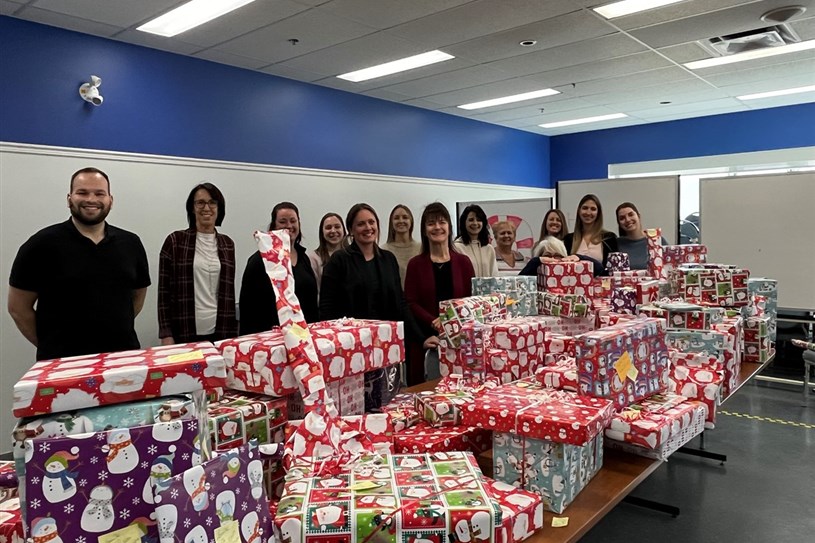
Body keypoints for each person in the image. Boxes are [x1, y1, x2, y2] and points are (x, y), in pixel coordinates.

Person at [8, 167, 151, 360]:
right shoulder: (40, 245)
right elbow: (18, 308)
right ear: (69, 199)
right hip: (63, 363)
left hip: (122, 358)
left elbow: (137, 297)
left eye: (99, 193)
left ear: (110, 200)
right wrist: (50, 346)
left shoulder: (131, 243)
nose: (91, 199)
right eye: (82, 192)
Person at [320, 203, 433, 388]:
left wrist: (421, 338)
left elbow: (401, 303)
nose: (368, 228)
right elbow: (327, 309)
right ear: (351, 230)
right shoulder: (338, 261)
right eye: (361, 224)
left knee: (390, 396)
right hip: (352, 350)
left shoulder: (388, 259)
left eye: (371, 222)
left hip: (386, 347)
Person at [158, 183, 238, 345]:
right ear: (192, 208)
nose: (206, 208)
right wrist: (166, 333)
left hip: (222, 332)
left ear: (219, 208)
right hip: (183, 330)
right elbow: (163, 293)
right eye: (200, 202)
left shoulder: (228, 244)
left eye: (212, 202)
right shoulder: (175, 241)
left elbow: (229, 294)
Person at [404, 203, 474, 385]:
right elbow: (410, 303)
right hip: (426, 340)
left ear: (449, 227)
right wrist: (433, 321)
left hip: (459, 341)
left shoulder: (464, 263)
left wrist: (449, 319)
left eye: (442, 222)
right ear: (424, 230)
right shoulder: (415, 264)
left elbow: (471, 301)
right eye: (431, 223)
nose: (437, 227)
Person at [239, 202, 318, 335]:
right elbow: (248, 308)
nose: (289, 226)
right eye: (282, 221)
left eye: (293, 221)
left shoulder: (304, 258)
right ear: (274, 226)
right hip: (271, 337)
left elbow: (311, 303)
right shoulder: (259, 261)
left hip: (304, 335)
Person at [562, 194, 617, 270]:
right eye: (585, 208)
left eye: (593, 209)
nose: (588, 213)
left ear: (598, 213)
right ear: (579, 211)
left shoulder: (609, 238)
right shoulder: (568, 239)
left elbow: (613, 270)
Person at [616, 202, 667, 270]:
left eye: (631, 214)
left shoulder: (656, 241)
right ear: (619, 223)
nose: (627, 220)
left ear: (639, 216)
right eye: (622, 218)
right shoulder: (615, 244)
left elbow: (669, 267)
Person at [454, 204, 498, 277]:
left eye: (479, 220)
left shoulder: (489, 249)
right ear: (464, 223)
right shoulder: (456, 248)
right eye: (471, 220)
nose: (475, 223)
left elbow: (494, 276)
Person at [383, 204, 422, 287]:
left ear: (411, 221)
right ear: (391, 222)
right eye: (396, 218)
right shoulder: (384, 250)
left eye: (405, 217)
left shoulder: (421, 248)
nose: (401, 221)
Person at [307, 212, 347, 292]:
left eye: (337, 227)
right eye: (328, 228)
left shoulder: (353, 255)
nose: (333, 231)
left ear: (343, 230)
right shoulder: (313, 258)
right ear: (322, 232)